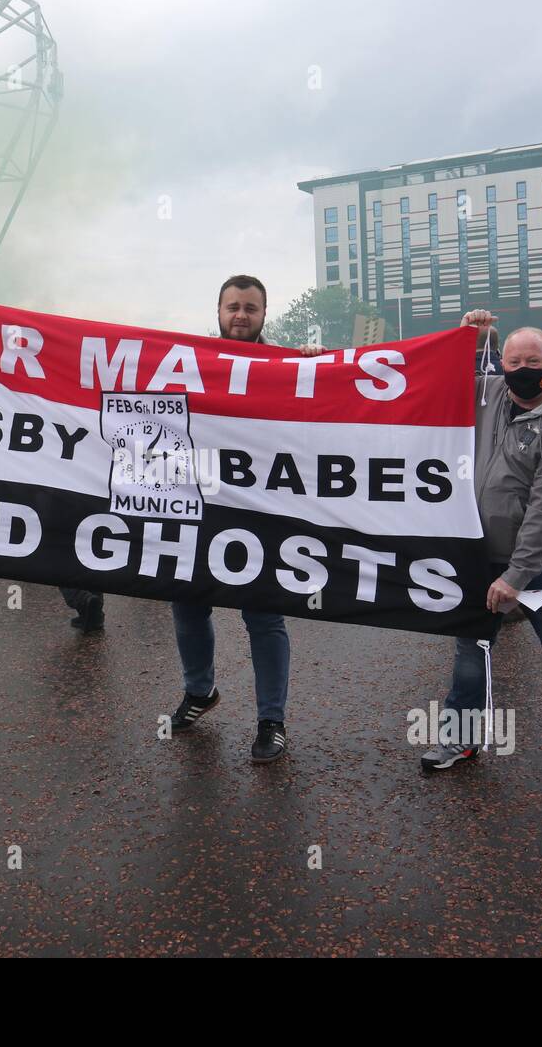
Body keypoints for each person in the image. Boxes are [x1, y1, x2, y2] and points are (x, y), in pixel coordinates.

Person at [421, 311, 542, 795]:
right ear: (501, 364)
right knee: (471, 655)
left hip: (541, 565)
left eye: (534, 360)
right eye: (514, 360)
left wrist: (517, 576)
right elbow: (440, 374)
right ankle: (460, 740)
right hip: (480, 557)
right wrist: (470, 334)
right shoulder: (487, 395)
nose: (524, 368)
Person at [166, 275, 292, 763]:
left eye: (251, 308)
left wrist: (316, 365)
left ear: (264, 314)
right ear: (218, 311)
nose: (241, 315)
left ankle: (272, 720)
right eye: (233, 306)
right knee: (186, 605)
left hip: (262, 511)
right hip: (198, 506)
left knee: (263, 616)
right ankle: (200, 692)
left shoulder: (289, 366)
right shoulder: (189, 362)